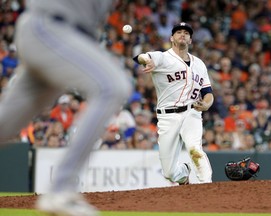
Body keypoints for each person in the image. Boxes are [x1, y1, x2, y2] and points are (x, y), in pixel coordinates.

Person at [0, 1, 132, 216]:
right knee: (112, 86)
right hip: (51, 26)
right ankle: (61, 189)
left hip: (60, 35)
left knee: (5, 125)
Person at [133, 22, 214, 185]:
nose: (182, 34)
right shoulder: (163, 58)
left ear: (190, 40)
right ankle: (183, 174)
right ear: (171, 38)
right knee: (169, 172)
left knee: (194, 149)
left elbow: (208, 93)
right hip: (167, 117)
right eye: (178, 32)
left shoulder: (199, 64)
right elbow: (142, 57)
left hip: (192, 113)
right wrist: (147, 61)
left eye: (186, 33)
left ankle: (207, 187)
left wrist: (206, 105)